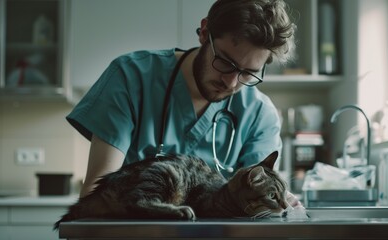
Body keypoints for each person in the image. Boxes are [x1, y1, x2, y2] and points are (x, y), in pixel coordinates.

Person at [67, 0, 296, 197]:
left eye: (248, 72)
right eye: (225, 62)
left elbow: (257, 208)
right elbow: (97, 196)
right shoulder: (130, 77)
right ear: (205, 32)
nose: (231, 82)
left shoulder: (258, 115)